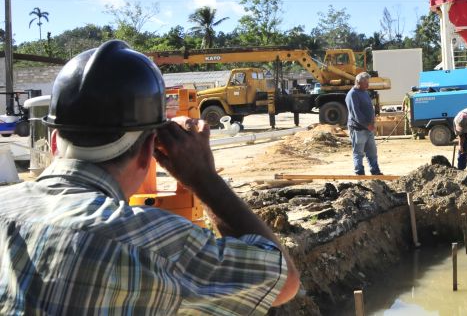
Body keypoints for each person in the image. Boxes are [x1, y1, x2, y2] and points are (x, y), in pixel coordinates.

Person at [0, 40, 300, 314]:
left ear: (54, 141)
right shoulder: (153, 243)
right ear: (148, 151)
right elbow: (282, 282)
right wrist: (202, 177)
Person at [346, 72, 382, 176]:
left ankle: (375, 171)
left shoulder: (364, 92)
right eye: (365, 82)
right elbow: (356, 114)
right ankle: (359, 173)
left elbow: (370, 109)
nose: (368, 85)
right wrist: (367, 125)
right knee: (359, 152)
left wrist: (372, 122)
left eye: (368, 82)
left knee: (372, 152)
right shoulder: (352, 94)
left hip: (368, 128)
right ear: (358, 82)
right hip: (358, 129)